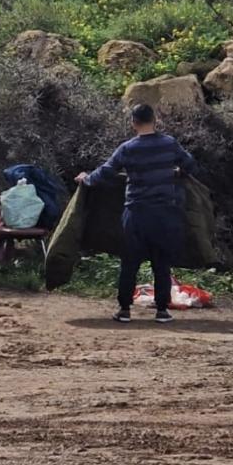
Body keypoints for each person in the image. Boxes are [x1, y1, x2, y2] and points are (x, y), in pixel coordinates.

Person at [77, 103, 197, 325]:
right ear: (155, 120)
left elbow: (106, 172)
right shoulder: (169, 144)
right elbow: (190, 164)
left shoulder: (128, 148)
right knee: (161, 263)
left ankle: (124, 310)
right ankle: (162, 311)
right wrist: (178, 173)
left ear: (134, 123)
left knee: (130, 263)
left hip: (136, 213)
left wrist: (86, 179)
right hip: (164, 214)